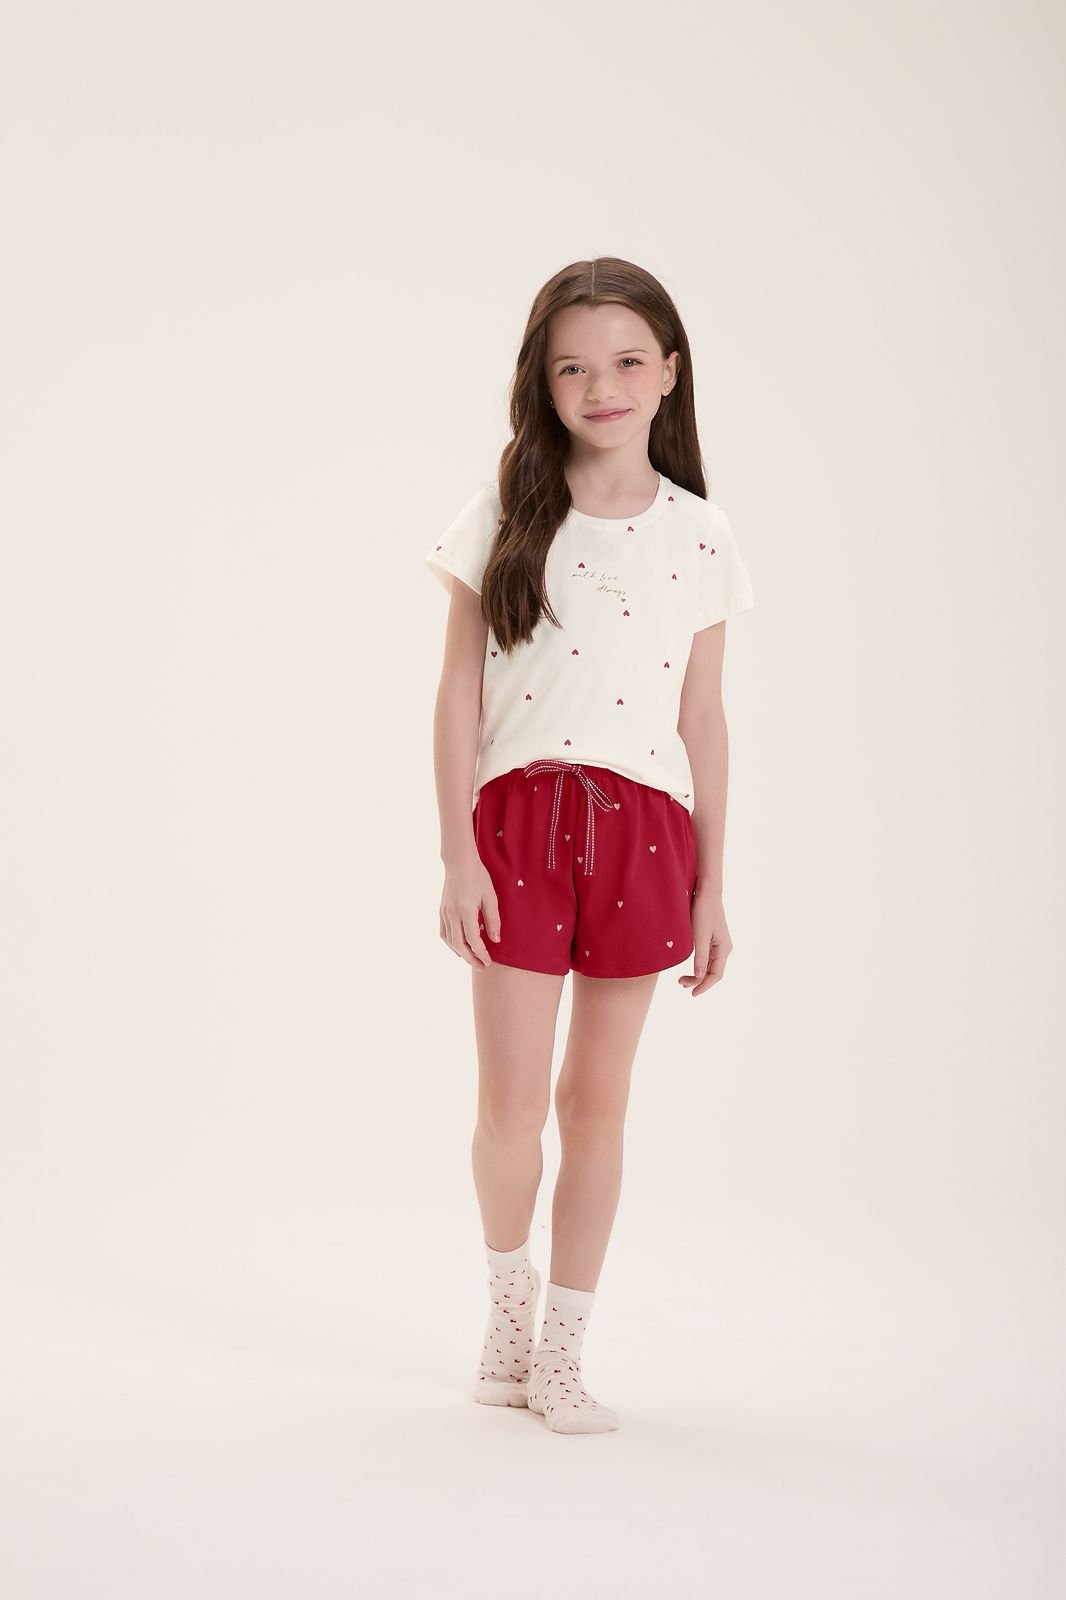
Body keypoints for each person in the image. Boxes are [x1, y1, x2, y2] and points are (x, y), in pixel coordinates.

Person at [423, 257, 755, 1434]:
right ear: (543, 383)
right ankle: (507, 1312)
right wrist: (458, 853)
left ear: (668, 372)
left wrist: (712, 884)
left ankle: (564, 1352)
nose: (599, 386)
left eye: (624, 361)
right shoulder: (506, 510)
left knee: (595, 1102)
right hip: (517, 822)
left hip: (645, 834)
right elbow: (457, 692)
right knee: (510, 1103)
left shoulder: (701, 535)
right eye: (571, 367)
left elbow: (703, 716)